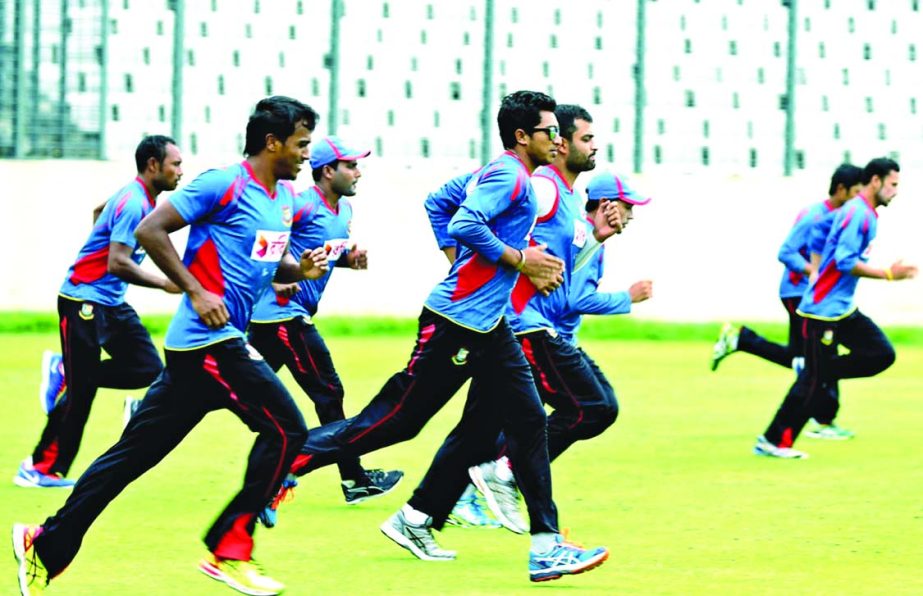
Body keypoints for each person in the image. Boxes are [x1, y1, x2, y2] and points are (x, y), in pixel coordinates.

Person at [13, 96, 329, 596]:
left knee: (131, 456)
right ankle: (230, 552)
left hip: (202, 350)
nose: (307, 154)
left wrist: (301, 270)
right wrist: (197, 290)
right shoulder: (223, 184)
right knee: (288, 429)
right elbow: (149, 229)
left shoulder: (284, 197)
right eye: (302, 144)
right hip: (210, 344)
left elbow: (268, 261)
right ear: (273, 143)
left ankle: (45, 541)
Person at [14, 135, 184, 489]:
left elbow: (97, 213)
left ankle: (64, 370)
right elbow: (118, 262)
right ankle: (39, 469)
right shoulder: (135, 203)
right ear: (153, 165)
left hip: (110, 302)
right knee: (80, 394)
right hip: (83, 302)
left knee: (148, 368)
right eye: (175, 164)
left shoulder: (138, 196)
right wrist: (164, 282)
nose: (181, 171)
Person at [248, 136, 402, 522]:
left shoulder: (343, 209)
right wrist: (275, 279)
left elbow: (319, 256)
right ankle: (350, 479)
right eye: (351, 165)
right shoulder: (300, 204)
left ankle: (153, 409)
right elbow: (261, 242)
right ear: (327, 171)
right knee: (328, 392)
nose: (358, 172)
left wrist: (349, 259)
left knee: (237, 388)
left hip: (280, 318)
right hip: (282, 313)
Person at [755, 157, 917, 458]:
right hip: (822, 311)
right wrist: (888, 274)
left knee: (880, 354)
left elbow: (818, 232)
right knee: (816, 380)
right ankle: (774, 441)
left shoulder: (858, 211)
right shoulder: (860, 215)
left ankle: (818, 372)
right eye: (893, 185)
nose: (896, 191)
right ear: (876, 181)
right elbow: (844, 260)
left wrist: (816, 270)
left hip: (839, 309)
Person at [711, 164, 864, 440]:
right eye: (855, 192)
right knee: (819, 357)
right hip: (800, 294)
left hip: (818, 298)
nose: (859, 199)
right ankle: (823, 422)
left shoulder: (843, 215)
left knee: (806, 356)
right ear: (841, 189)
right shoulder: (814, 216)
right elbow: (786, 252)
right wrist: (815, 272)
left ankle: (742, 340)